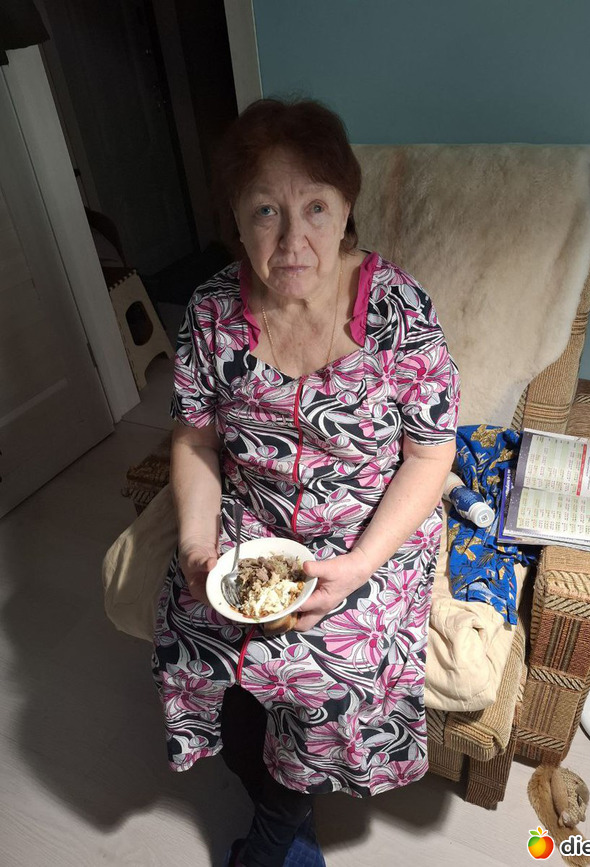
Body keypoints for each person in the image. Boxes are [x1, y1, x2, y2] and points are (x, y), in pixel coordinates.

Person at [152, 98, 460, 867]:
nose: (293, 240)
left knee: (333, 670)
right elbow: (195, 438)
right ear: (236, 216)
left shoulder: (399, 311)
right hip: (250, 518)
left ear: (347, 207)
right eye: (266, 210)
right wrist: (195, 542)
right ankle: (284, 814)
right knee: (192, 628)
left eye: (315, 207)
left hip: (367, 529)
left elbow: (430, 455)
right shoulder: (212, 312)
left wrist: (357, 566)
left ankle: (271, 844)